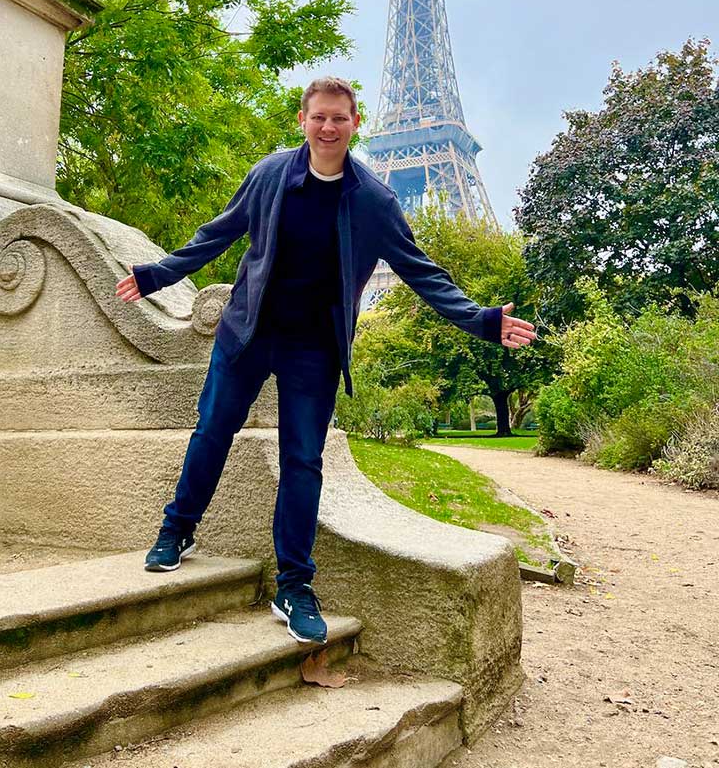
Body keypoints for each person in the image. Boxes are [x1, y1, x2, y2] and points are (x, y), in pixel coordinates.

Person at [116, 76, 536, 645]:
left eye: (339, 118)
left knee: (303, 460)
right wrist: (156, 275)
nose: (329, 127)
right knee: (212, 430)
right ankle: (178, 529)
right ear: (303, 121)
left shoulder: (374, 201)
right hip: (248, 330)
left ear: (356, 124)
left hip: (313, 347)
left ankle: (294, 585)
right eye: (319, 117)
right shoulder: (270, 174)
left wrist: (481, 320)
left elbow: (420, 271)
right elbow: (219, 233)